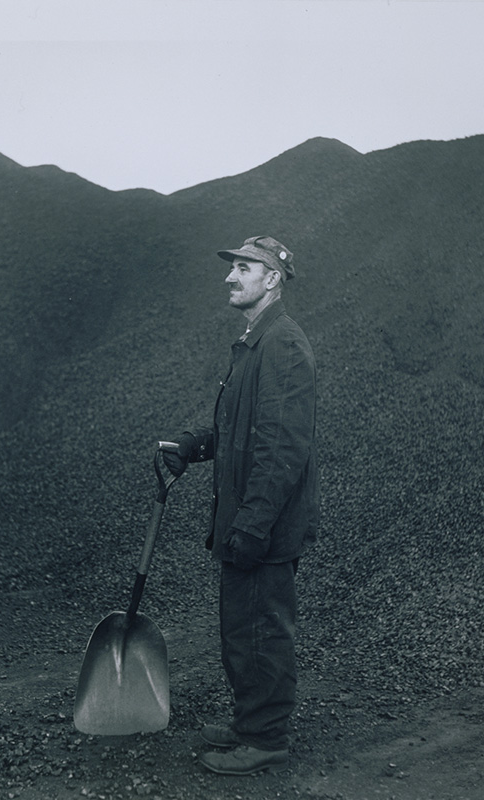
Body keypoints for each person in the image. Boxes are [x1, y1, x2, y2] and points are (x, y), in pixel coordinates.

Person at [162, 235, 319, 776]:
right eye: (231, 267)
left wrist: (253, 525)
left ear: (272, 279)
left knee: (262, 630)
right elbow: (240, 429)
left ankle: (266, 737)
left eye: (244, 267)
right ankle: (250, 720)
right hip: (247, 518)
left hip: (264, 524)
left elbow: (283, 447)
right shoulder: (256, 340)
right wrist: (192, 444)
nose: (230, 277)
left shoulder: (283, 344)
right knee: (241, 627)